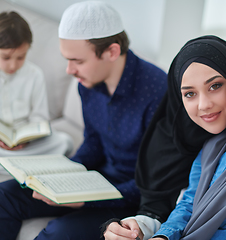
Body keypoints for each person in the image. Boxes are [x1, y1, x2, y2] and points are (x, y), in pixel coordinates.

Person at [103, 37, 226, 240]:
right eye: (189, 94)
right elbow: (177, 205)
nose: (204, 104)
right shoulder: (205, 145)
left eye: (215, 86)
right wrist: (147, 229)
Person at [0, 2, 167, 240]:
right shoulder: (87, 83)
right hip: (93, 180)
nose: (69, 70)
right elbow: (93, 143)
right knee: (4, 196)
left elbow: (154, 187)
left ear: (111, 52)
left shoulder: (158, 92)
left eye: (77, 61)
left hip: (129, 198)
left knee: (57, 234)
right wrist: (62, 178)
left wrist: (86, 199)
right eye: (67, 60)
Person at [0, 11, 73, 157]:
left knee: (64, 142)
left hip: (25, 140)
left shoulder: (35, 75)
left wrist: (28, 139)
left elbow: (39, 117)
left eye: (21, 57)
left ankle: (11, 161)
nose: (13, 65)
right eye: (6, 58)